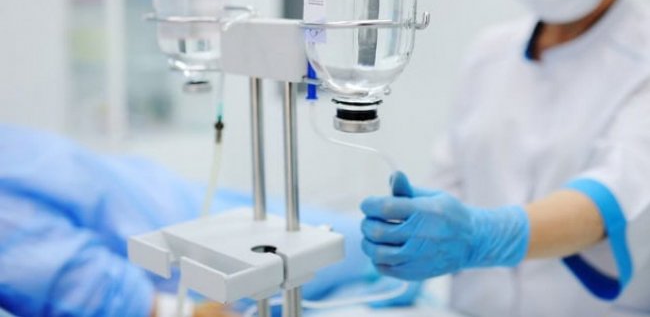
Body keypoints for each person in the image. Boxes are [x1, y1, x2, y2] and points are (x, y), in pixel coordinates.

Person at [359, 0, 650, 316]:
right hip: (475, 305)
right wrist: (411, 233)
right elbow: (451, 175)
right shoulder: (489, 51)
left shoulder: (643, 56)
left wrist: (484, 236)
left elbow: (619, 190)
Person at [0, 124, 416, 316]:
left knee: (370, 248)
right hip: (188, 250)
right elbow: (83, 286)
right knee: (370, 254)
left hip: (179, 204)